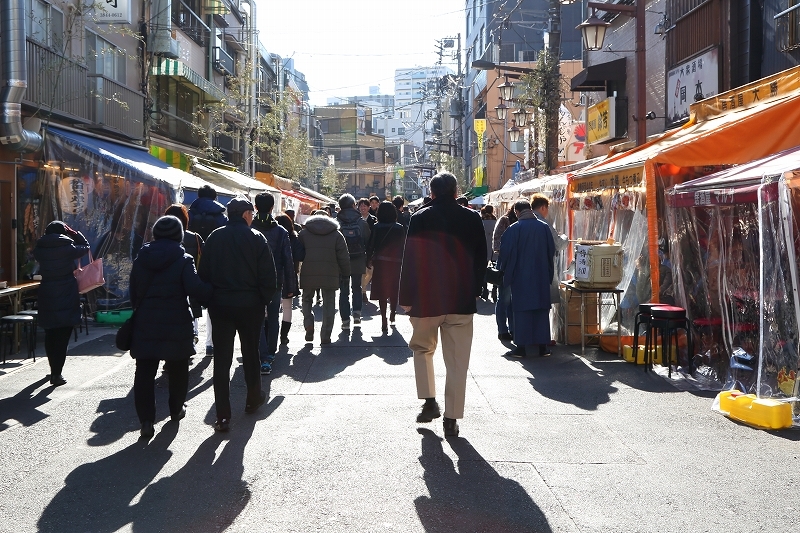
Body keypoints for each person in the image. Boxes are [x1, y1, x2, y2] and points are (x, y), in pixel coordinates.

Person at [399, 172, 486, 437]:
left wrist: (405, 298)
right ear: (457, 191)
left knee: (422, 349)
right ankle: (451, 418)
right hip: (460, 299)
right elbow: (481, 258)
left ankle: (429, 401)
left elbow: (410, 260)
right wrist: (475, 289)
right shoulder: (472, 218)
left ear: (432, 192)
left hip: (426, 299)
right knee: (458, 362)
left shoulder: (420, 218)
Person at [129, 216, 212, 439]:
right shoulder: (184, 259)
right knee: (178, 368)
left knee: (144, 371)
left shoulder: (141, 258)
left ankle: (146, 420)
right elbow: (195, 289)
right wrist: (213, 290)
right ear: (179, 235)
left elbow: (133, 293)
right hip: (176, 321)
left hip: (146, 320)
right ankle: (176, 410)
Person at [198, 198, 277, 432]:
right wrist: (263, 300)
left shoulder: (215, 237)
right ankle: (253, 398)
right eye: (251, 214)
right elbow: (268, 276)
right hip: (250, 304)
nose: (252, 218)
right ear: (244, 214)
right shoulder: (256, 238)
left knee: (222, 359)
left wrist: (210, 298)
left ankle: (222, 415)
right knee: (250, 352)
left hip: (220, 304)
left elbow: (204, 274)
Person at [33, 221, 90, 386]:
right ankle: (56, 374)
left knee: (50, 332)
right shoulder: (68, 248)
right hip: (66, 292)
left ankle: (53, 370)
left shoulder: (39, 250)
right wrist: (74, 233)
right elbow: (85, 246)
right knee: (64, 334)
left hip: (47, 292)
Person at [497, 199, 556, 358]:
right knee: (541, 310)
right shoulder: (544, 228)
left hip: (521, 276)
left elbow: (505, 253)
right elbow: (552, 251)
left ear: (517, 212)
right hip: (541, 275)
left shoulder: (514, 229)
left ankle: (521, 347)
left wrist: (502, 269)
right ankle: (543, 347)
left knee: (521, 311)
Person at [251, 193, 296, 376]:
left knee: (257, 318)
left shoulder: (250, 228)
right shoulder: (280, 231)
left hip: (253, 280)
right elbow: (288, 260)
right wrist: (291, 286)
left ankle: (261, 355)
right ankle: (270, 355)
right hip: (276, 280)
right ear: (272, 208)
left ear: (255, 207)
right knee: (274, 317)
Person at [298, 210, 350, 344]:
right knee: (329, 304)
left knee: (307, 299)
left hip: (309, 271)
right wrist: (345, 273)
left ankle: (309, 323)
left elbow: (297, 254)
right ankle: (325, 335)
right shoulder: (336, 234)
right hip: (330, 273)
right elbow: (344, 257)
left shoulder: (303, 234)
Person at [188, 185, 228, 357]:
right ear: (214, 197)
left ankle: (193, 335)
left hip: (191, 262)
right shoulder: (220, 217)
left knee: (191, 299)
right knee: (213, 301)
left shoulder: (189, 214)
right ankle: (210, 343)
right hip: (215, 264)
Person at [164, 204, 203, 346]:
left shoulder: (157, 241)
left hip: (166, 290)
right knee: (189, 318)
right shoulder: (195, 238)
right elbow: (203, 262)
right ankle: (191, 340)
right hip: (190, 286)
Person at [366, 201, 407, 333]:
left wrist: (368, 260)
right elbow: (403, 246)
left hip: (380, 262)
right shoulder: (399, 227)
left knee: (381, 290)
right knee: (394, 289)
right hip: (396, 262)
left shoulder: (377, 227)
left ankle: (383, 319)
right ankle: (393, 315)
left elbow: (371, 245)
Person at [336, 193, 371, 329]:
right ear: (353, 205)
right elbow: (368, 241)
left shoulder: (336, 222)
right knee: (357, 287)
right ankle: (357, 314)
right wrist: (368, 260)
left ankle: (345, 320)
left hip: (342, 260)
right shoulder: (361, 222)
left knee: (343, 291)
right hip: (358, 258)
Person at [530, 194, 568, 307]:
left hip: (527, 271)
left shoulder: (522, 223)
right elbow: (559, 244)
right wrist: (565, 237)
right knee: (542, 306)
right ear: (543, 207)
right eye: (547, 208)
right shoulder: (544, 223)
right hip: (543, 269)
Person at [276, 214, 304, 345]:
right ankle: (284, 336)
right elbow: (301, 255)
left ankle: (270, 335)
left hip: (274, 274)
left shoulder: (273, 236)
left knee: (270, 308)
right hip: (290, 275)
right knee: (287, 307)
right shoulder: (294, 238)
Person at [492, 206, 518, 341]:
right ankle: (503, 330)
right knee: (504, 299)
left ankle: (514, 329)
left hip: (519, 267)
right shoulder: (504, 221)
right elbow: (496, 245)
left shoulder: (522, 223)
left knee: (514, 300)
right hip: (506, 265)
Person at [358, 198, 377, 300]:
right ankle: (363, 291)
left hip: (371, 248)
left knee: (370, 272)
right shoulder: (356, 219)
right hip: (359, 248)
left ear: (369, 207)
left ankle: (363, 288)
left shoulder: (373, 219)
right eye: (361, 206)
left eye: (365, 206)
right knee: (362, 272)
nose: (363, 208)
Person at [480, 205, 497, 301]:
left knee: (483, 270)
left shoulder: (481, 222)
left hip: (483, 249)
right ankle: (494, 290)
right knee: (496, 270)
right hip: (494, 249)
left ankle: (485, 290)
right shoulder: (496, 221)